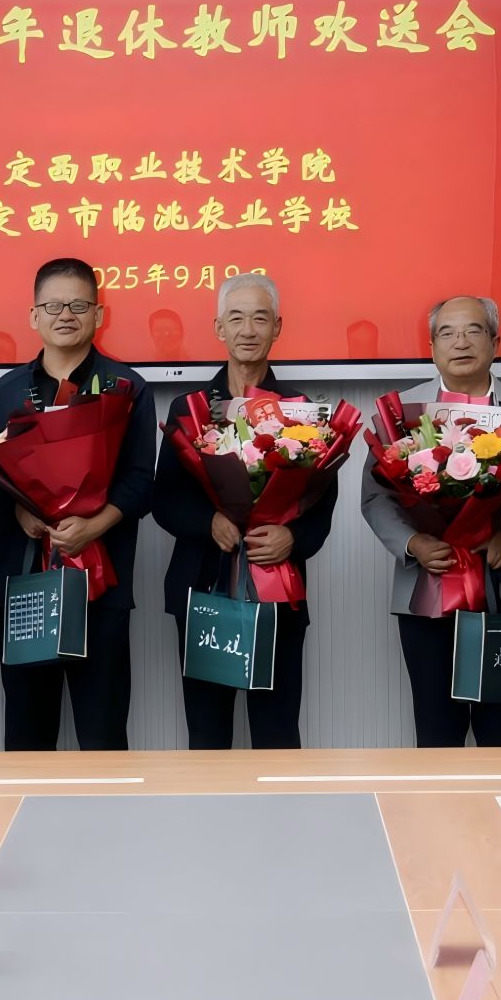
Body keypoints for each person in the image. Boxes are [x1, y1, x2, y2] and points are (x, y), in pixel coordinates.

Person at [361, 295, 501, 747]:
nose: (460, 342)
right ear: (432, 346)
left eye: (473, 330)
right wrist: (413, 543)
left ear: (495, 342)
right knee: (436, 735)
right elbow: (377, 495)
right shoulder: (400, 413)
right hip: (428, 588)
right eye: (447, 332)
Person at [0, 257, 156, 751]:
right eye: (53, 306)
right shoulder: (5, 392)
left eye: (78, 305)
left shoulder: (126, 388)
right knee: (27, 737)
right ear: (34, 316)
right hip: (25, 588)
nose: (66, 316)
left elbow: (142, 481)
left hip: (101, 586)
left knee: (103, 735)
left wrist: (96, 525)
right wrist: (19, 512)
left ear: (99, 314)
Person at [152, 274, 334, 749]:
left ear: (277, 327)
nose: (248, 329)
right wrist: (207, 522)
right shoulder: (189, 408)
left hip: (277, 587)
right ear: (219, 328)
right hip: (202, 587)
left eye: (259, 318)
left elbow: (321, 501)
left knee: (277, 733)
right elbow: (164, 497)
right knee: (207, 735)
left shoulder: (300, 412)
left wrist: (293, 538)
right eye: (236, 318)